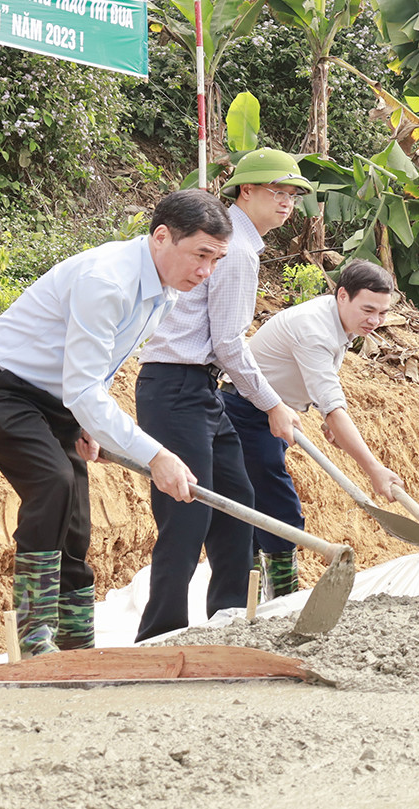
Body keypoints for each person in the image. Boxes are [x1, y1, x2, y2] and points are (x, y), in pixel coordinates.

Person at [0, 190, 226, 656]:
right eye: (201, 255)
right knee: (51, 484)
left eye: (216, 259)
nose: (206, 271)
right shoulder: (107, 280)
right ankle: (33, 637)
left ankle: (74, 638)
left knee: (75, 517)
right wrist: (155, 453)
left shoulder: (164, 292)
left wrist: (88, 421)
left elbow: (99, 368)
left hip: (60, 399)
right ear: (162, 237)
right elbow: (84, 387)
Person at [134, 150, 309, 640]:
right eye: (278, 192)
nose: (287, 203)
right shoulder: (233, 250)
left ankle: (228, 622)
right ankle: (158, 635)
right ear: (245, 191)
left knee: (237, 502)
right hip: (173, 387)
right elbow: (229, 343)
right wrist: (272, 404)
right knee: (187, 518)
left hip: (201, 390)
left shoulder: (234, 244)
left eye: (293, 195)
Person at [221, 259, 403, 598]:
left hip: (271, 414)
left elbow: (323, 394)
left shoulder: (339, 321)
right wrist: (374, 469)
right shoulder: (314, 328)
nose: (375, 321)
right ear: (342, 295)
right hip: (244, 413)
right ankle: (275, 600)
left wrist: (325, 416)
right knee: (277, 510)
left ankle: (265, 600)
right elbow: (333, 406)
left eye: (382, 313)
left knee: (264, 509)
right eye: (368, 310)